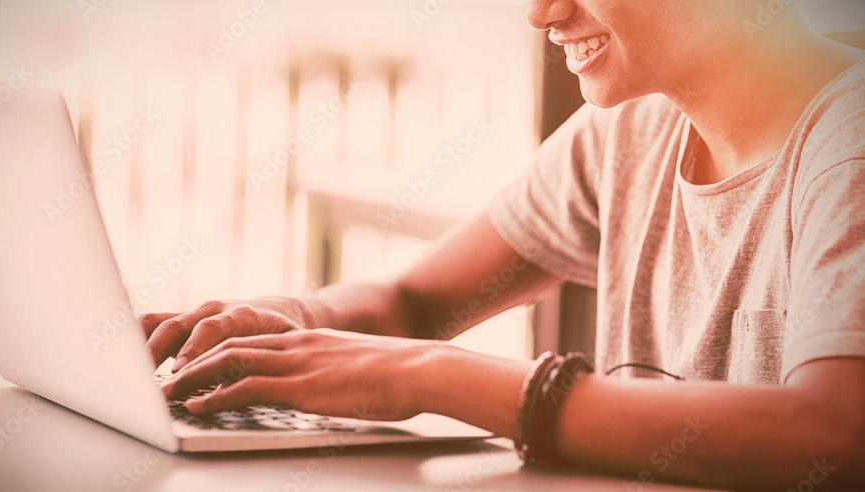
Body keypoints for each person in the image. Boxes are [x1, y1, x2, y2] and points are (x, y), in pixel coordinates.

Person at [142, 0, 865, 488]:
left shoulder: (848, 137)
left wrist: (431, 376)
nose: (542, 12)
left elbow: (832, 435)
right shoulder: (629, 133)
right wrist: (291, 317)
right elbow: (411, 301)